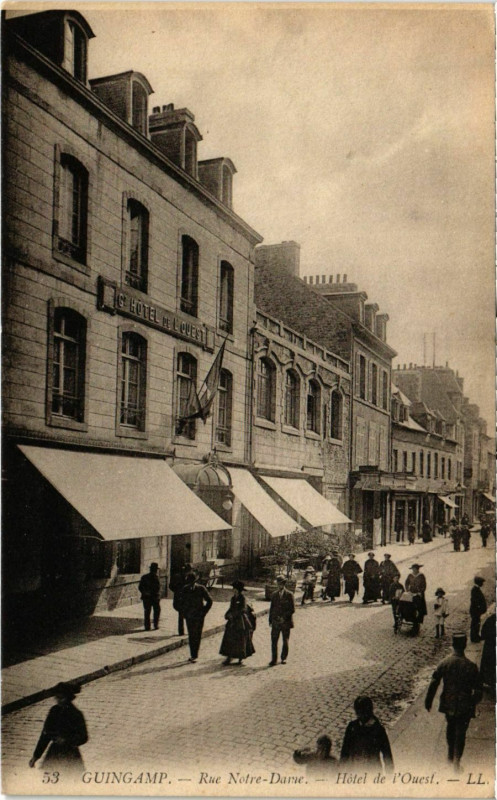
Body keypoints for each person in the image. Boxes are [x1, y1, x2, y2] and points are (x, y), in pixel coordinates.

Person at [425, 632, 483, 772]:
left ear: (452, 645)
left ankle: (450, 756)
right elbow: (479, 691)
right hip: (465, 705)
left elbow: (434, 682)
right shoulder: (471, 666)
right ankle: (457, 761)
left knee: (450, 729)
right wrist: (473, 702)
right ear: (464, 645)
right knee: (461, 733)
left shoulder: (445, 663)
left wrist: (429, 700)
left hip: (449, 703)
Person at [29, 682, 88, 773]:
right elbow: (45, 735)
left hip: (71, 755)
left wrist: (67, 740)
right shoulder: (54, 711)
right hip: (54, 753)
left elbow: (83, 737)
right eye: (57, 698)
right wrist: (36, 756)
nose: (59, 700)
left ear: (69, 698)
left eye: (62, 698)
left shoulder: (76, 714)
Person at [340, 696, 393, 772]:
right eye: (357, 712)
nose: (358, 715)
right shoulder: (352, 727)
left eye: (361, 712)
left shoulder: (378, 730)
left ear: (368, 712)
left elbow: (387, 755)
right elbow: (345, 751)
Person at [177, 571, 213, 662]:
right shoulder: (185, 589)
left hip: (199, 616)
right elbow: (179, 602)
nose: (191, 584)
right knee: (191, 634)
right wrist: (184, 613)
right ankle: (193, 654)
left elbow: (209, 601)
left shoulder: (201, 588)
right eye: (190, 582)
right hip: (189, 616)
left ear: (195, 581)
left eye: (192, 582)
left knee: (197, 634)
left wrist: (204, 612)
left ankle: (194, 654)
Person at [220, 581, 255, 666]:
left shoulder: (242, 598)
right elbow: (231, 608)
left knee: (240, 639)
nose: (234, 590)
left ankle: (240, 658)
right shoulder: (233, 598)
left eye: (235, 589)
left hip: (240, 620)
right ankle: (228, 657)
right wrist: (227, 614)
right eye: (234, 589)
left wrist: (234, 615)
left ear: (239, 590)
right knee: (229, 638)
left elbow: (243, 609)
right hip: (232, 621)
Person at [268, 575, 295, 666]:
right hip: (276, 621)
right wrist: (271, 620)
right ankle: (274, 659)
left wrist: (283, 617)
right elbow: (272, 608)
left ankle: (283, 658)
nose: (279, 585)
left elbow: (292, 609)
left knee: (285, 640)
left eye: (281, 583)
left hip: (285, 622)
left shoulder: (289, 594)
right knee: (274, 641)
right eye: (278, 583)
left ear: (284, 584)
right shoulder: (274, 595)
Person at [169, 562, 193, 636]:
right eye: (189, 570)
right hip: (179, 599)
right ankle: (182, 631)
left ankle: (183, 631)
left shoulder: (189, 577)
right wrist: (177, 591)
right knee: (182, 615)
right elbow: (171, 586)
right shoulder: (177, 577)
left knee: (184, 615)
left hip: (186, 599)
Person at [138, 562, 162, 631]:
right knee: (157, 611)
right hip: (154, 597)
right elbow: (157, 588)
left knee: (147, 612)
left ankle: (147, 626)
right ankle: (156, 625)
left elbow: (140, 587)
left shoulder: (144, 577)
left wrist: (145, 592)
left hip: (146, 597)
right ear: (155, 570)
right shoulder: (156, 577)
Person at [405, 563, 427, 633]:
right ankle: (411, 619)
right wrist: (407, 590)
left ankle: (417, 623)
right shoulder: (410, 575)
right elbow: (406, 583)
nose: (414, 570)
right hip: (411, 594)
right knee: (410, 607)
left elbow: (424, 585)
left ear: (418, 569)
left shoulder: (421, 576)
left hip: (418, 594)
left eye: (415, 569)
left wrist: (420, 592)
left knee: (418, 608)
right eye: (413, 569)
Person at [479, 612, 496, 695]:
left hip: (490, 648)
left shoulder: (490, 619)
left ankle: (490, 683)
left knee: (488, 665)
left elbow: (483, 634)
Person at [469, 576, 487, 643]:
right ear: (479, 583)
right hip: (475, 611)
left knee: (476, 623)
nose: (482, 584)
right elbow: (474, 601)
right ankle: (474, 638)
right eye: (482, 582)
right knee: (475, 623)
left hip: (476, 610)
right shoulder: (475, 590)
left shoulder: (475, 589)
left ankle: (476, 636)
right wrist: (479, 607)